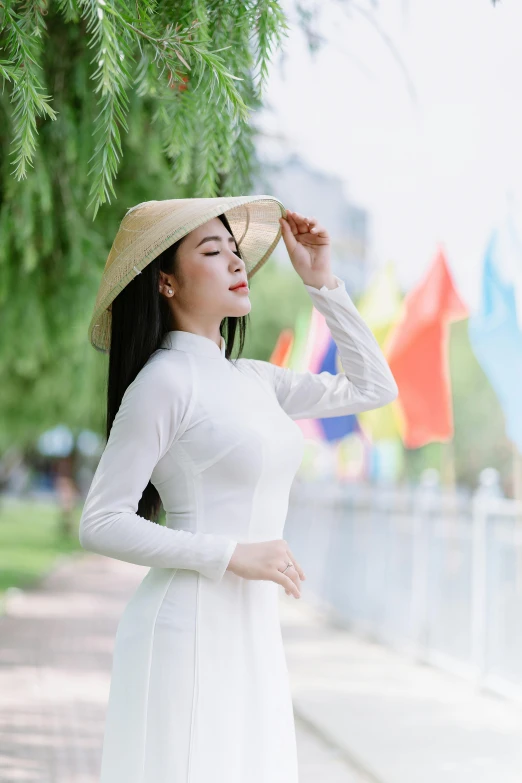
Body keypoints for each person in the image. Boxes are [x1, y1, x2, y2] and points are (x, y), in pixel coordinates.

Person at [79, 195, 398, 783]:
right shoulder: (163, 382)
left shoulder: (252, 379)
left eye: (235, 250)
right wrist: (231, 554)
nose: (234, 262)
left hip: (251, 628)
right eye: (211, 249)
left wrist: (322, 282)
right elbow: (100, 520)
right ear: (166, 283)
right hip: (186, 627)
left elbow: (373, 387)